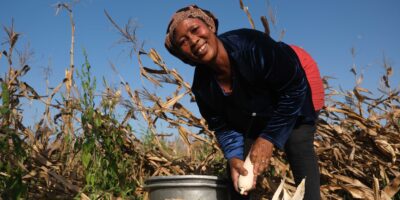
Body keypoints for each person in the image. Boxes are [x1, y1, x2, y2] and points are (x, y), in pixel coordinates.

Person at [164, 5, 323, 200]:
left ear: (210, 26)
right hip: (257, 104)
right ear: (183, 55)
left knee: (297, 141)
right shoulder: (203, 88)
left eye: (195, 30)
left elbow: (294, 89)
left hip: (298, 77)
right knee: (241, 167)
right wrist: (233, 157)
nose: (194, 40)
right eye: (183, 41)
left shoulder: (251, 46)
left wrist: (268, 139)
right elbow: (223, 127)